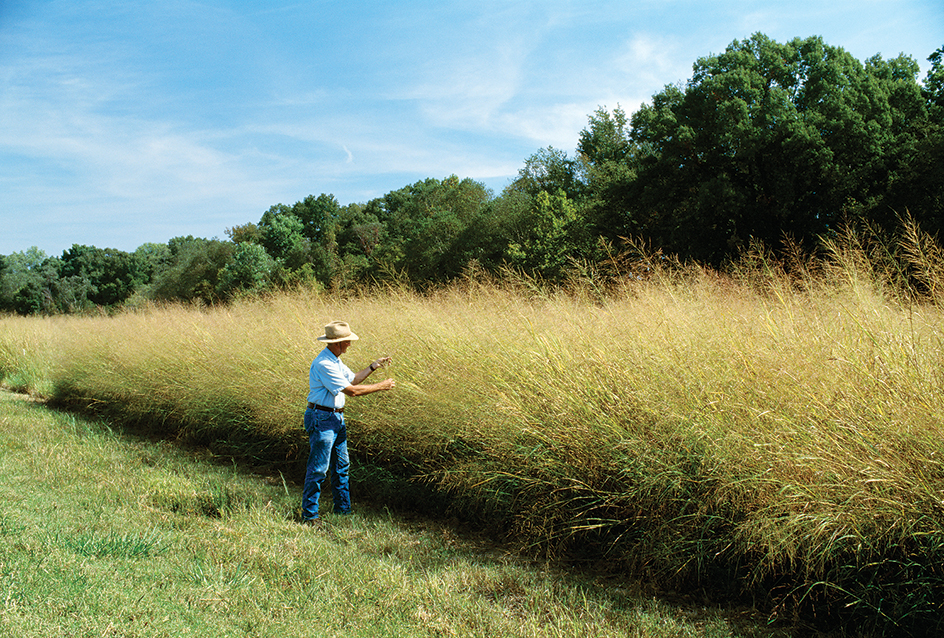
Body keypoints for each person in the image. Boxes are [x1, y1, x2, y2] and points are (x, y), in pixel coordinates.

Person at [302, 320, 395, 525]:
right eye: (347, 342)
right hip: (322, 419)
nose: (349, 345)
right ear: (337, 343)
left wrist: (374, 366)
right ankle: (309, 516)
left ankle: (343, 511)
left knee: (341, 466)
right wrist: (381, 386)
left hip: (334, 418)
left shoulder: (334, 360)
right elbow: (351, 391)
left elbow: (352, 380)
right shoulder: (324, 364)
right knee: (319, 468)